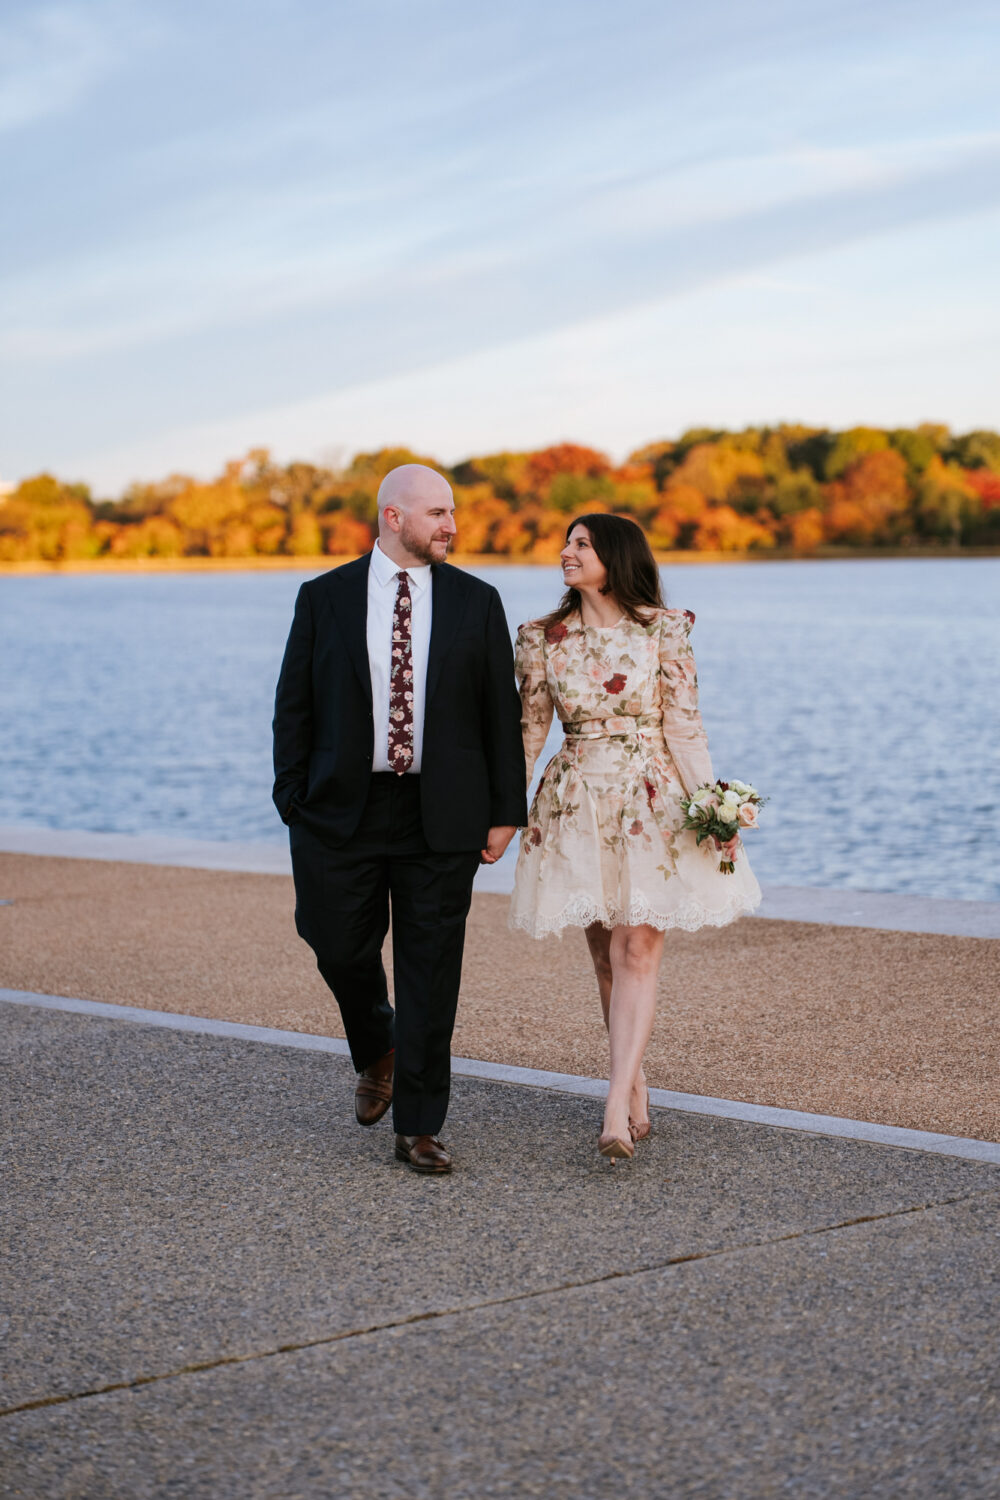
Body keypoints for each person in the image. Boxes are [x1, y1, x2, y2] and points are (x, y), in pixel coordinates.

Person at [273, 464, 526, 1174]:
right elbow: (293, 703)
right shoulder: (323, 598)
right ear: (394, 517)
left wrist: (506, 810)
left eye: (452, 513)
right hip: (339, 810)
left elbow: (497, 714)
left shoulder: (479, 600)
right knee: (335, 942)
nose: (452, 525)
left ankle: (418, 1124)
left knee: (430, 969)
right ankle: (376, 1043)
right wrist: (291, 796)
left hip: (443, 813)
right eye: (438, 513)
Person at [509, 513, 761, 1161]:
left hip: (653, 803)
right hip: (577, 803)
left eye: (582, 544)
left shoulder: (665, 631)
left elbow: (686, 727)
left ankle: (615, 1106)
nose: (566, 552)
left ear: (614, 556)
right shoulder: (542, 638)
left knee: (638, 950)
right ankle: (636, 1082)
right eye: (566, 542)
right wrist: (502, 811)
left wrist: (715, 807)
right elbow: (529, 733)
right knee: (604, 956)